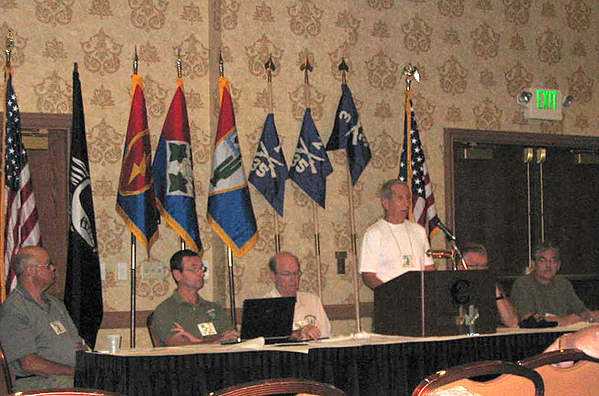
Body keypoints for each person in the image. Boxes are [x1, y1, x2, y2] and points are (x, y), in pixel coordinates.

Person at [0, 246, 84, 391]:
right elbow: (29, 364)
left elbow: (78, 345)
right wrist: (75, 372)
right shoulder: (14, 309)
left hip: (69, 378)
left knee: (117, 381)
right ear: (30, 271)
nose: (53, 268)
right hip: (38, 383)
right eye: (47, 265)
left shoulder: (56, 304)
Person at [152, 249, 240, 346]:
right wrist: (215, 341)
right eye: (194, 269)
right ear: (177, 275)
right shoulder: (166, 310)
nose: (201, 274)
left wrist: (198, 341)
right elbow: (177, 346)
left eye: (202, 269)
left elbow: (231, 337)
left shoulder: (214, 308)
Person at [359, 179, 435, 290]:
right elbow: (368, 276)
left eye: (408, 198)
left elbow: (429, 268)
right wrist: (391, 293)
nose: (406, 203)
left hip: (419, 299)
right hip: (391, 300)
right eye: (400, 198)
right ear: (386, 203)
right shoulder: (374, 233)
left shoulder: (419, 231)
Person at [511, 241, 599, 326]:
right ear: (533, 264)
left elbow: (581, 311)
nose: (548, 265)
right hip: (535, 337)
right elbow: (528, 318)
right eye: (543, 261)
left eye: (553, 261)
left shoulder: (563, 284)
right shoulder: (522, 284)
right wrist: (563, 320)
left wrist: (590, 316)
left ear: (559, 265)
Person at [265, 251, 332, 340]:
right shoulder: (265, 305)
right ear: (273, 276)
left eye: (296, 273)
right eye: (287, 274)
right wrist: (297, 334)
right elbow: (267, 340)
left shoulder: (312, 301)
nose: (293, 279)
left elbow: (326, 336)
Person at [460, 243, 519, 328]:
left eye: (484, 266)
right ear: (460, 267)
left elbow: (513, 323)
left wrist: (496, 291)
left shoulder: (490, 285)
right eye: (475, 266)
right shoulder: (451, 288)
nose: (481, 271)